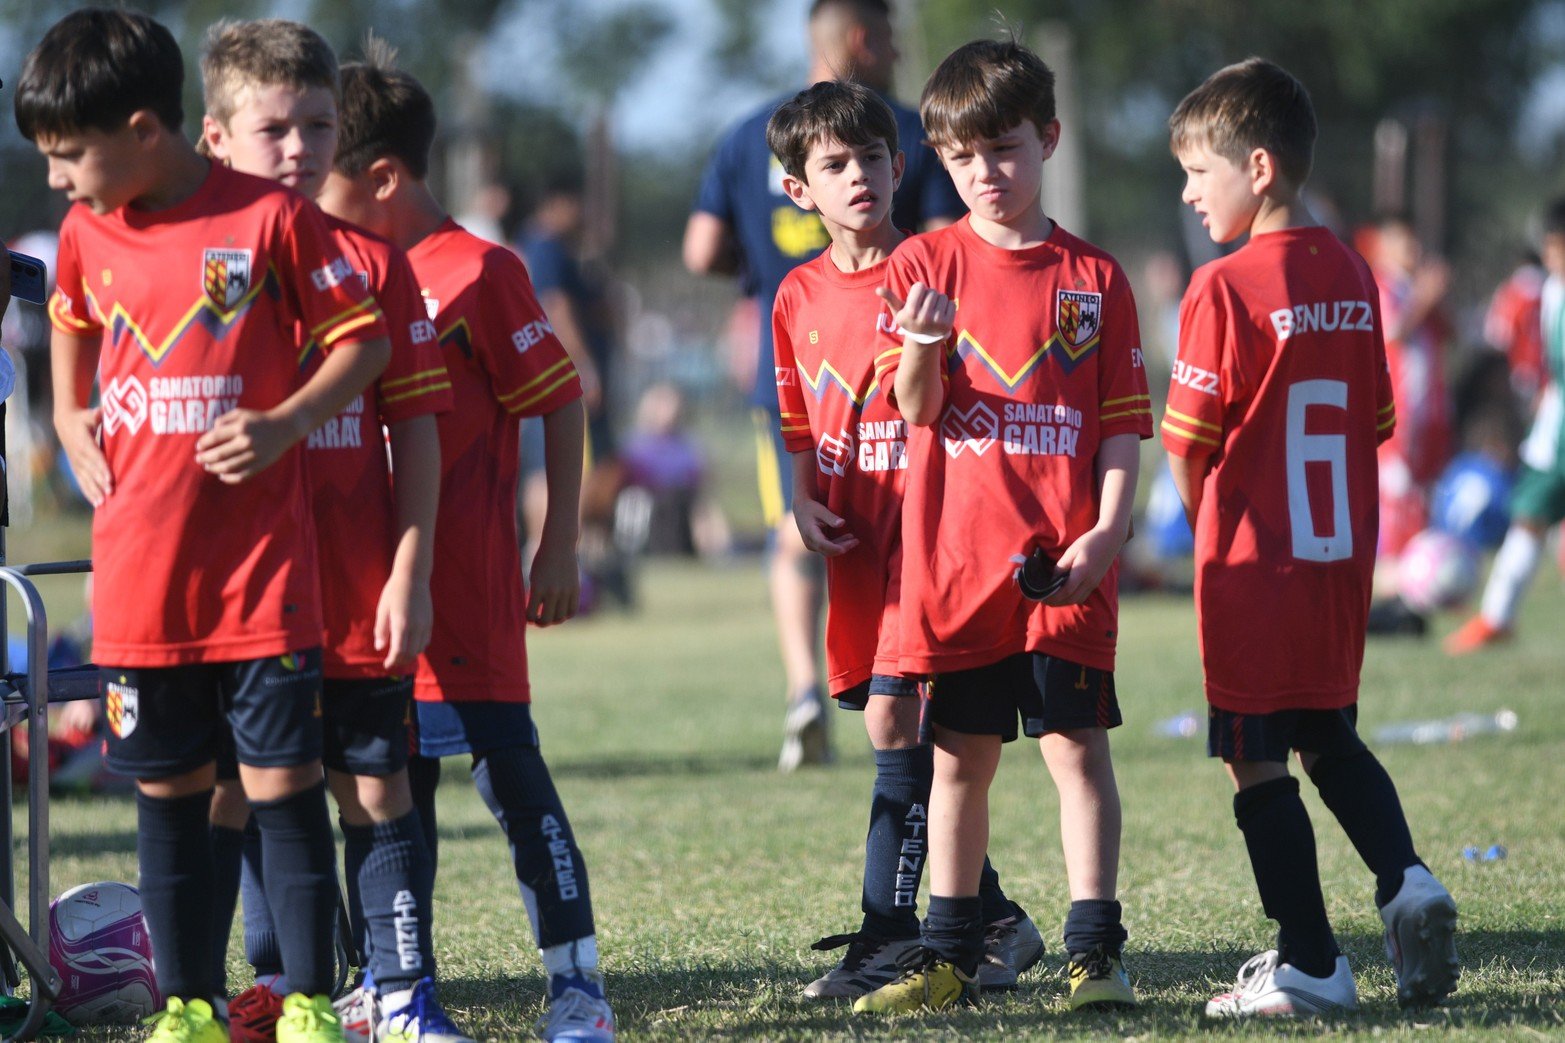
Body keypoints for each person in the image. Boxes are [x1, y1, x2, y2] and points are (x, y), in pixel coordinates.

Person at [19, 8, 394, 1042]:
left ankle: (309, 999)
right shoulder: (89, 229)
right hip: (142, 584)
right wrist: (64, 408)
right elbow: (69, 318)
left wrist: (284, 421)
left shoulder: (270, 220)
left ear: (145, 129)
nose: (57, 180)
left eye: (68, 156)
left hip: (263, 580)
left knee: (282, 787)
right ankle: (188, 1004)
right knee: (173, 798)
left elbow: (359, 342)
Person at [313, 43, 616, 1043]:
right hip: (363, 590)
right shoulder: (330, 274)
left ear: (383, 176)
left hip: (470, 587)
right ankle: (395, 984)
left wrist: (557, 542)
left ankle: (577, 987)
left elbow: (561, 400)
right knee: (383, 792)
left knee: (507, 777)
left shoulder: (479, 270)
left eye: (325, 177)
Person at [853, 37, 1150, 1014]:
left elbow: (1115, 426)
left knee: (1076, 753)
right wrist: (922, 351)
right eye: (961, 154)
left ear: (1048, 139)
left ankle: (1092, 952)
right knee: (957, 760)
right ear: (938, 159)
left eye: (1005, 148)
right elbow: (915, 410)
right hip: (958, 570)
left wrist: (1105, 534)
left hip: (1065, 564)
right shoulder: (923, 262)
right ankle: (945, 954)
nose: (986, 171)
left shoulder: (1093, 277)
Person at [1162, 57, 1460, 1016]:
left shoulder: (1220, 287)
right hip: (1337, 565)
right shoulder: (1352, 270)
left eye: (1197, 172)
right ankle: (1405, 878)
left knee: (1253, 755)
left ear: (1255, 168)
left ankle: (1310, 961)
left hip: (1251, 565)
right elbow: (1372, 420)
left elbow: (1188, 446)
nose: (1186, 190)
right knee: (1327, 733)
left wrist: (1206, 524)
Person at [193, 20, 466, 1042]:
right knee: (226, 788)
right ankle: (216, 993)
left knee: (374, 781)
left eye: (317, 124)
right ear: (217, 139)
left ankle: (400, 993)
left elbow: (418, 435)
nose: (301, 147)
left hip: (355, 586)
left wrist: (410, 570)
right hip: (236, 594)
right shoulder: (204, 267)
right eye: (277, 128)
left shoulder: (374, 264)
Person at [766, 79, 1043, 1001]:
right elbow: (797, 418)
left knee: (897, 723)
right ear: (797, 189)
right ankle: (993, 916)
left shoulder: (933, 265)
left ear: (899, 165)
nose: (859, 178)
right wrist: (800, 500)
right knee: (897, 731)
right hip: (855, 548)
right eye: (834, 165)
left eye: (873, 158)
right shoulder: (795, 294)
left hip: (928, 543)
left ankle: (891, 934)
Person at [684, 0, 965, 771]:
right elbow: (948, 246)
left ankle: (804, 687)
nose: (856, 175)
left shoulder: (747, 132)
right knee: (879, 527)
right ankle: (894, 679)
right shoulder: (899, 126)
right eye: (892, 37)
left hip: (802, 375)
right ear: (862, 39)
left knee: (795, 528)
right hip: (857, 362)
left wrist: (758, 275)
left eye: (865, 164)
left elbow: (699, 246)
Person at [1447, 198, 1565, 654]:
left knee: (1530, 515)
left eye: (1558, 247)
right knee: (1529, 515)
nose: (1551, 257)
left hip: (1556, 438)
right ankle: (1496, 618)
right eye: (1549, 248)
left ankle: (1497, 617)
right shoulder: (1551, 289)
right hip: (1552, 429)